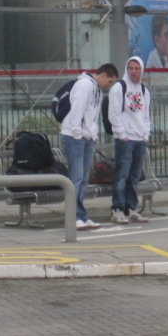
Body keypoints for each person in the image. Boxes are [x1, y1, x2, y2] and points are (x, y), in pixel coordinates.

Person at [61, 63, 118, 230]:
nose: (110, 85)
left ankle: (81, 215)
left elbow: (91, 115)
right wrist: (78, 133)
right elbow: (77, 110)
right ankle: (74, 216)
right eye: (110, 81)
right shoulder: (85, 84)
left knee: (83, 179)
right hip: (74, 136)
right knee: (76, 178)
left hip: (86, 137)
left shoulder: (97, 90)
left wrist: (92, 135)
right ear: (103, 75)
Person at [108, 56, 151, 224]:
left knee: (134, 176)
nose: (133, 71)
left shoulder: (144, 91)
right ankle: (117, 208)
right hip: (125, 138)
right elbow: (114, 114)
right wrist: (122, 134)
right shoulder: (119, 88)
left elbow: (146, 115)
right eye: (131, 68)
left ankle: (130, 207)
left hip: (139, 138)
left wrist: (145, 134)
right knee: (122, 174)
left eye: (137, 68)